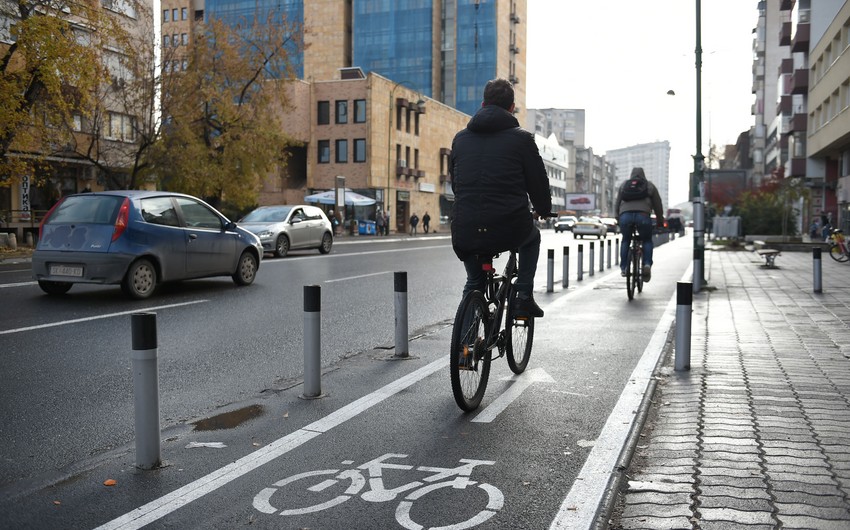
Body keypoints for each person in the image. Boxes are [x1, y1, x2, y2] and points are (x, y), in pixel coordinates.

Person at [449, 78, 552, 318]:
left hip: (465, 227)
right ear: (512, 108)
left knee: (474, 282)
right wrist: (543, 209)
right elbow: (537, 182)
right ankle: (524, 296)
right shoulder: (523, 139)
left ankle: (465, 351)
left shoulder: (460, 139)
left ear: (483, 104)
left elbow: (456, 184)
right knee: (532, 238)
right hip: (508, 226)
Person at [616, 167, 665, 282]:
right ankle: (647, 264)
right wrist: (660, 221)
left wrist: (618, 218)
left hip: (625, 216)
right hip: (643, 216)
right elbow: (658, 205)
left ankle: (624, 267)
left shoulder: (624, 185)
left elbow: (617, 202)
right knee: (647, 240)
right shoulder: (649, 185)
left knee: (626, 240)